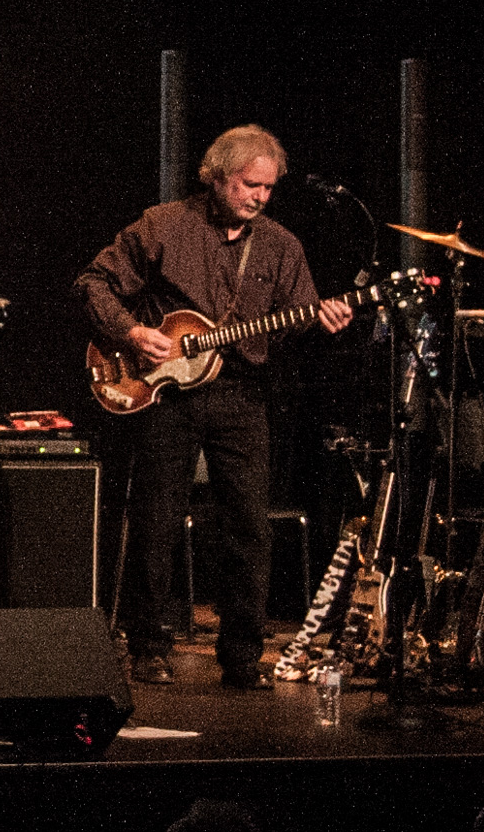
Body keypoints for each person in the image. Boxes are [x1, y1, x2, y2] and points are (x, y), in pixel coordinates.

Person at [78, 124, 351, 689]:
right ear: (217, 177)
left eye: (269, 189)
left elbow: (296, 321)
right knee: (156, 518)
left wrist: (324, 320)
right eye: (250, 185)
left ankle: (242, 656)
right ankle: (148, 644)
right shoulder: (164, 225)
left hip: (241, 394)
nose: (259, 197)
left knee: (249, 525)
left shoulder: (281, 246)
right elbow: (93, 283)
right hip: (165, 390)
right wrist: (131, 333)